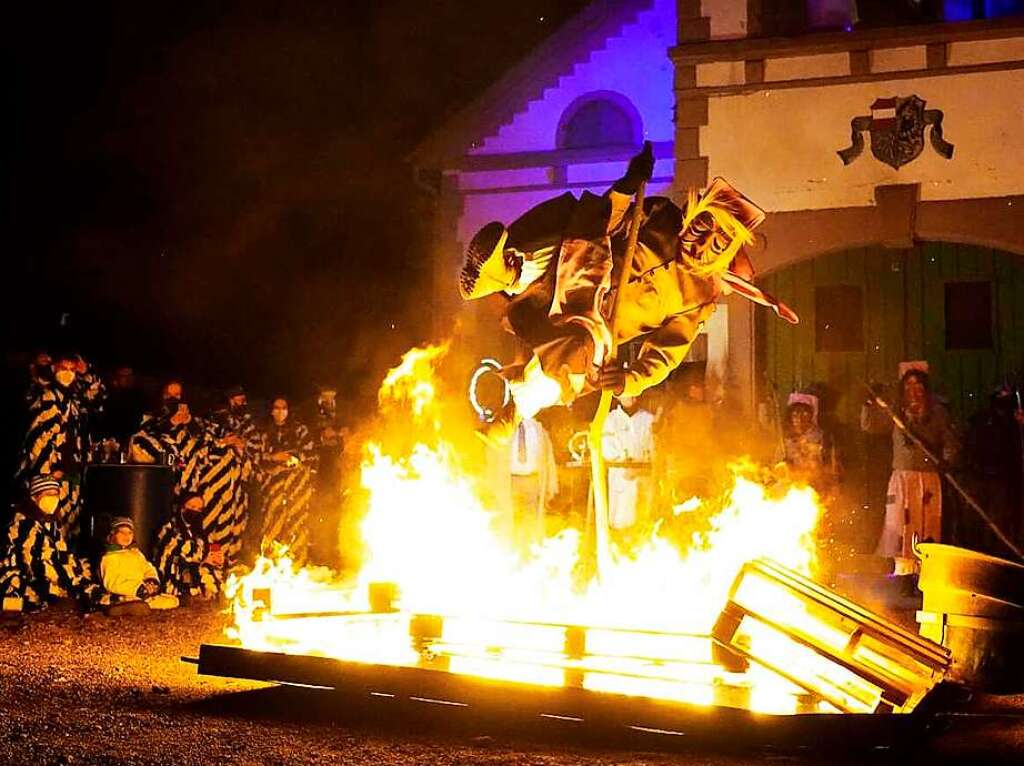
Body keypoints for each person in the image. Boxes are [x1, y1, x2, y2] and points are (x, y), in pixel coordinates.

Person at [458, 142, 797, 439]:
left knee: (567, 361)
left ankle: (510, 415)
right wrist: (627, 184)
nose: (703, 242)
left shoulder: (699, 298)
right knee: (575, 219)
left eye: (717, 243)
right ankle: (502, 270)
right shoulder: (663, 216)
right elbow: (613, 218)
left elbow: (666, 355)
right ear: (694, 215)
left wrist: (628, 380)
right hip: (580, 268)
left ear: (725, 252)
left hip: (595, 326)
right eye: (702, 227)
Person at [130, 380, 248, 563]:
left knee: (199, 525)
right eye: (169, 396)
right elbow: (142, 441)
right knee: (171, 533)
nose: (174, 400)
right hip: (165, 490)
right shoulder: (150, 421)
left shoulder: (192, 426)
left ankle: (208, 562)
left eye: (177, 396)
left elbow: (207, 444)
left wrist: (220, 440)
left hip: (191, 489)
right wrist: (171, 423)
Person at [862, 362, 959, 573]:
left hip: (929, 480)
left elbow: (950, 443)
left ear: (925, 388)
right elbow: (870, 425)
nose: (913, 391)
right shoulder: (895, 412)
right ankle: (903, 573)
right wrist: (870, 402)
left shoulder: (938, 414)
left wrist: (947, 461)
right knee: (900, 526)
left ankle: (925, 574)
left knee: (928, 526)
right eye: (908, 386)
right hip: (903, 481)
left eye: (918, 386)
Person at [15, 350, 96, 541]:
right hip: (49, 472)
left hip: (72, 470)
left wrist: (87, 372)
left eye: (72, 370)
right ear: (54, 369)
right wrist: (50, 469)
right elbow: (40, 437)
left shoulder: (73, 398)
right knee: (44, 520)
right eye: (63, 369)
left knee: (69, 523)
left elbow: (96, 398)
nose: (68, 373)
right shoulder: (48, 397)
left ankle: (63, 558)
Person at [0, 476, 108, 613]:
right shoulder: (25, 524)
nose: (53, 498)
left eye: (55, 494)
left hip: (47, 572)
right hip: (23, 573)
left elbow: (62, 555)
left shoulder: (51, 524)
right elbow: (31, 563)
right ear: (34, 497)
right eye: (48, 494)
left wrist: (76, 575)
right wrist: (63, 584)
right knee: (35, 592)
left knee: (82, 579)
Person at [964, 386, 1024, 554]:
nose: (1004, 397)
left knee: (1000, 525)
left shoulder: (1015, 423)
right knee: (978, 524)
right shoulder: (980, 420)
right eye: (1000, 393)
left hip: (1005, 481)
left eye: (1007, 394)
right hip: (980, 478)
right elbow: (970, 447)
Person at [258, 397, 317, 566]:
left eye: (284, 407)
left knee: (297, 521)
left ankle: (298, 562)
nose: (280, 411)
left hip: (297, 483)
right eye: (277, 407)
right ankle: (272, 563)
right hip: (273, 483)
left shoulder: (300, 430)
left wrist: (293, 457)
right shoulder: (263, 432)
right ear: (271, 410)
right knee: (274, 521)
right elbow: (257, 457)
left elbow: (311, 454)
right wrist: (273, 457)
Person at [154, 493, 225, 601]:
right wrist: (199, 563)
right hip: (176, 576)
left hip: (198, 572)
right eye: (192, 507)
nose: (195, 511)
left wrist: (216, 559)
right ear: (182, 508)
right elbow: (166, 559)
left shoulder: (200, 533)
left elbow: (211, 549)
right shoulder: (169, 528)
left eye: (199, 509)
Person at [100, 517, 179, 611]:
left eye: (130, 533)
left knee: (173, 600)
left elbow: (147, 568)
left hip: (143, 591)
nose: (126, 536)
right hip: (124, 592)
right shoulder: (109, 557)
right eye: (122, 533)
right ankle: (123, 606)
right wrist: (137, 588)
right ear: (113, 535)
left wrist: (151, 581)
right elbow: (112, 582)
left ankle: (138, 605)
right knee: (128, 599)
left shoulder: (136, 554)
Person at [603, 394, 655, 530]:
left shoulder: (648, 419)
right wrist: (623, 462)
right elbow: (607, 446)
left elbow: (653, 446)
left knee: (642, 515)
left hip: (642, 473)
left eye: (634, 394)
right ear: (618, 397)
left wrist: (640, 465)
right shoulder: (610, 419)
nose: (632, 398)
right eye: (628, 394)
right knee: (621, 512)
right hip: (620, 474)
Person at [507, 416, 559, 552]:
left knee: (532, 517)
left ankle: (531, 550)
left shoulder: (538, 429)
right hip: (511, 480)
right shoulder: (506, 428)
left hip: (533, 480)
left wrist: (552, 483)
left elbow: (549, 459)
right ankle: (514, 549)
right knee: (513, 517)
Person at [778, 393, 840, 490]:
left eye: (804, 413)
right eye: (795, 414)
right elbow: (777, 466)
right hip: (792, 491)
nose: (799, 418)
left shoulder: (823, 438)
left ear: (811, 415)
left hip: (817, 490)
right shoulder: (785, 441)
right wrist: (783, 466)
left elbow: (833, 467)